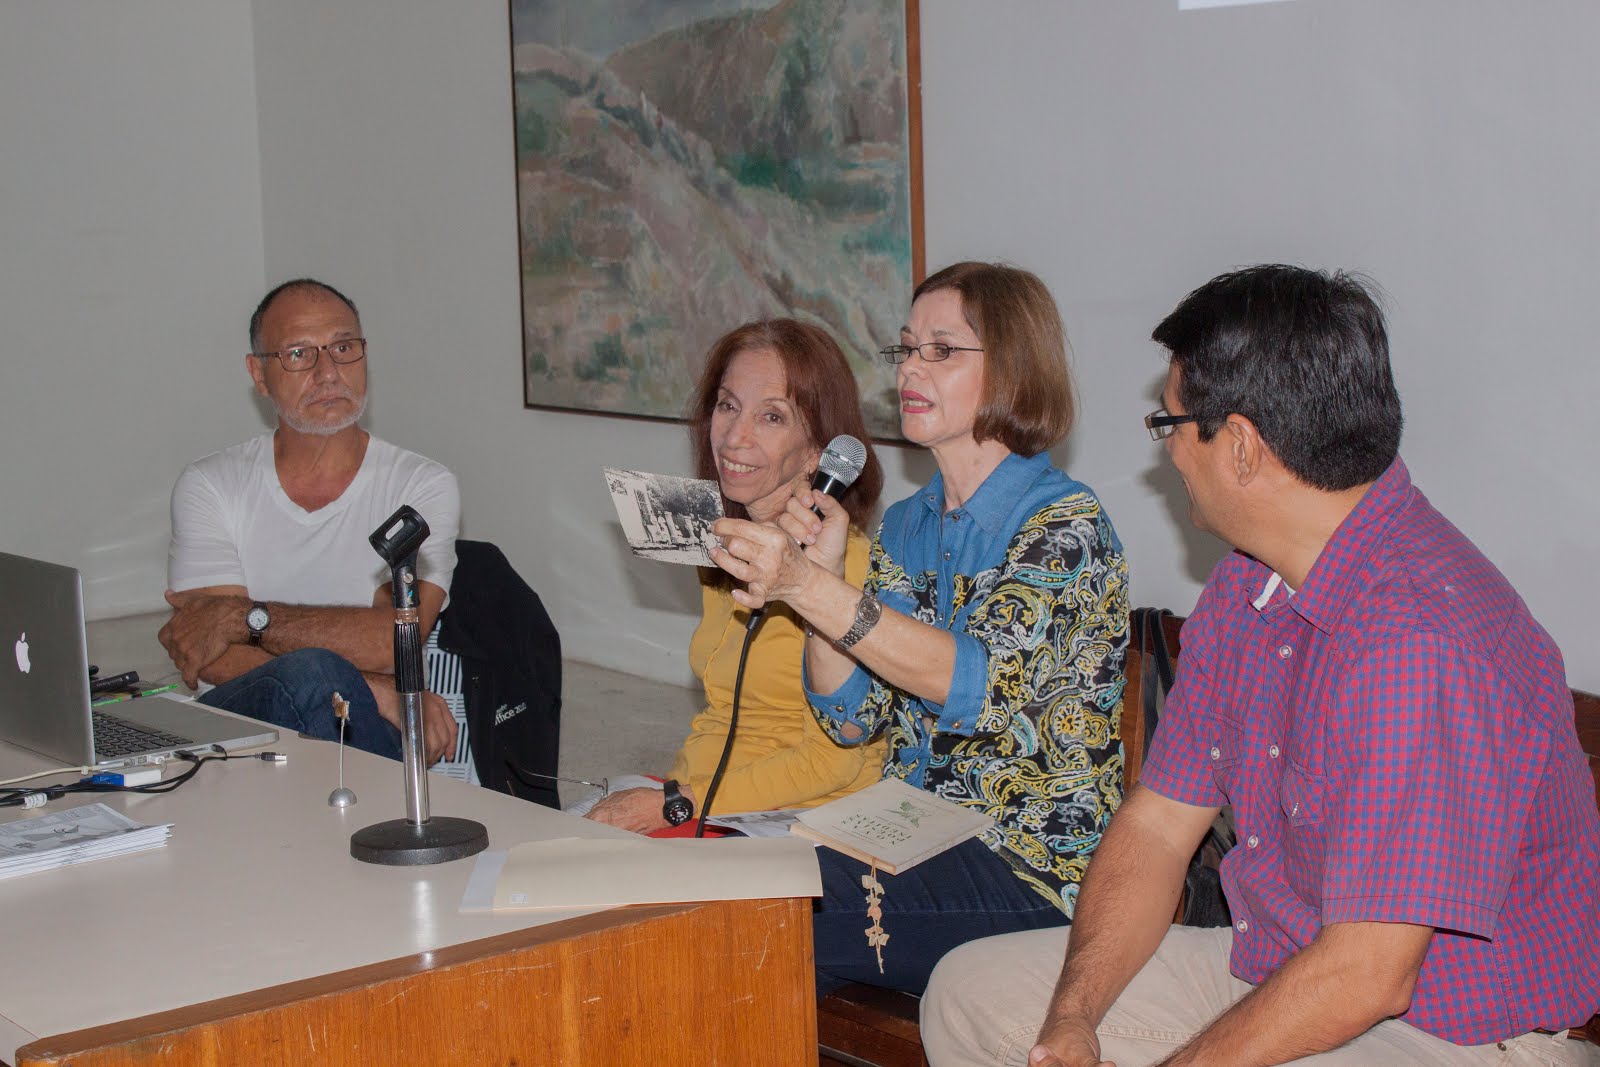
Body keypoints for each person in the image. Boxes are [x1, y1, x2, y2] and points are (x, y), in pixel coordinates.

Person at [921, 265, 1600, 1067]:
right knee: (970, 997)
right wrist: (1073, 1018)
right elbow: (1157, 824)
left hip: (1459, 1030)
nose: (1168, 448)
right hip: (1283, 968)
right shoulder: (1249, 579)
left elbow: (1370, 973)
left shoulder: (1422, 637)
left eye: (1169, 421)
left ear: (1240, 445)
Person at [710, 262, 1129, 994]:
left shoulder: (1065, 526)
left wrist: (808, 587)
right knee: (722, 892)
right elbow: (852, 717)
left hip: (1029, 871)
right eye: (906, 348)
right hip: (907, 835)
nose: (911, 367)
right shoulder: (909, 523)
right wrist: (823, 586)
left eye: (941, 349)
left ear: (1012, 369)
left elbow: (968, 681)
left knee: (745, 927)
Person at [586, 319, 889, 833]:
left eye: (771, 416)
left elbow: (837, 762)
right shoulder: (727, 539)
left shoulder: (845, 570)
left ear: (819, 450)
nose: (734, 436)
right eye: (727, 406)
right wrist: (666, 795)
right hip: (706, 797)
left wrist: (676, 804)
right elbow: (721, 716)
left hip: (803, 818)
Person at [159, 278, 460, 764]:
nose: (328, 372)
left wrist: (241, 617)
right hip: (244, 729)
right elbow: (210, 656)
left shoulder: (422, 485)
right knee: (314, 677)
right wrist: (375, 690)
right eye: (299, 353)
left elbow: (391, 640)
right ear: (259, 375)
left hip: (359, 735)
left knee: (321, 684)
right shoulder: (210, 484)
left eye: (343, 347)